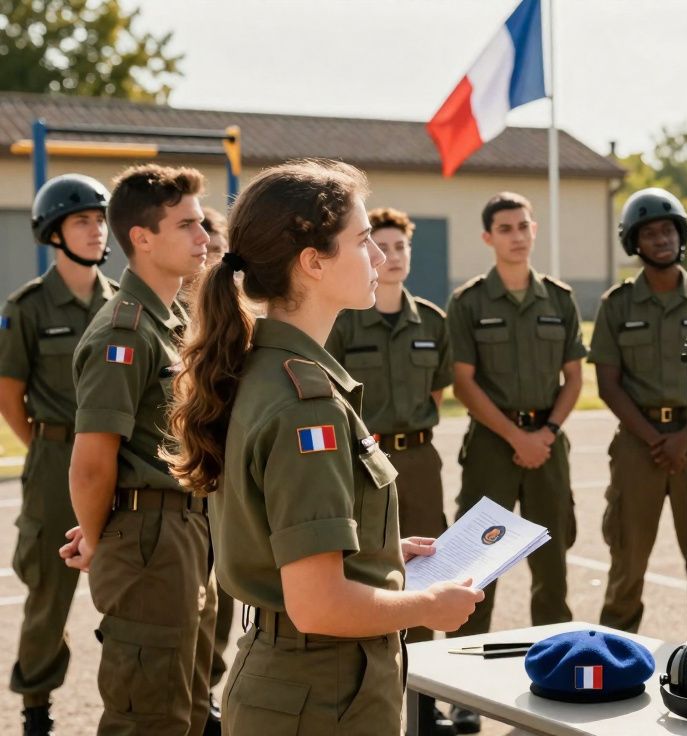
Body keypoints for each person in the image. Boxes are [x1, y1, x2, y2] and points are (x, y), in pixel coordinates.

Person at [164, 159, 482, 734]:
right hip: (321, 693)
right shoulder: (305, 403)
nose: (381, 260)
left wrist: (379, 553)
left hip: (305, 684)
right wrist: (429, 608)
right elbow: (319, 604)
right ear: (313, 262)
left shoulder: (265, 368)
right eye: (363, 242)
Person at [58, 164, 219, 735]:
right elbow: (93, 460)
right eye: (188, 226)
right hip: (152, 539)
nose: (204, 237)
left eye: (202, 224)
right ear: (142, 238)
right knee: (149, 718)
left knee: (190, 710)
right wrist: (102, 539)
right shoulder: (123, 332)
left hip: (185, 532)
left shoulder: (171, 322)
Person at [445, 192, 586, 733]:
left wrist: (545, 433)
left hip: (547, 444)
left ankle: (555, 675)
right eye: (505, 228)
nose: (517, 235)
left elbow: (574, 376)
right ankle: (463, 690)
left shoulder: (560, 298)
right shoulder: (470, 301)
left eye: (524, 225)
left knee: (551, 572)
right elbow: (464, 381)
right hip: (492, 446)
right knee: (477, 570)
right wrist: (515, 437)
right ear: (488, 238)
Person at [326, 205, 457, 734]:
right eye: (383, 245)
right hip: (361, 462)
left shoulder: (433, 320)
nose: (394, 256)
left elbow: (438, 392)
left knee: (423, 566)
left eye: (402, 246)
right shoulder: (344, 319)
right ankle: (373, 688)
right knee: (369, 567)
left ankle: (422, 699)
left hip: (419, 459)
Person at [592, 188, 687, 652]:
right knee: (628, 558)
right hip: (639, 444)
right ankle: (615, 649)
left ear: (682, 235)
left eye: (669, 230)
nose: (661, 239)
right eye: (650, 233)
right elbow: (609, 384)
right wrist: (657, 438)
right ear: (634, 243)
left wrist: (685, 439)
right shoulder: (617, 305)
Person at [0, 174, 116, 736]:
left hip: (118, 460)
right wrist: (51, 449)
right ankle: (36, 709)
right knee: (48, 588)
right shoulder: (25, 307)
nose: (95, 231)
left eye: (99, 220)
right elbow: (7, 392)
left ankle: (132, 703)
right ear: (54, 233)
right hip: (53, 460)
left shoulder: (121, 303)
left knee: (131, 580)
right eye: (81, 221)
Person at [194, 205, 234, 726]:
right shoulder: (166, 325)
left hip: (225, 491)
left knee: (221, 602)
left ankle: (206, 692)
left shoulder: (239, 326)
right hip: (181, 493)